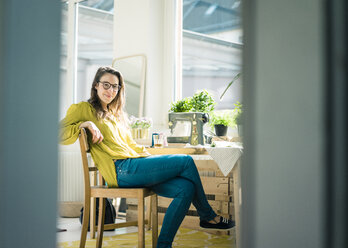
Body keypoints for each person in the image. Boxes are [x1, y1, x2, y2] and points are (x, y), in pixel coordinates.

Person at [60, 66, 235, 248]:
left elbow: (131, 145)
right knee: (186, 160)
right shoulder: (83, 109)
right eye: (106, 85)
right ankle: (208, 216)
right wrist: (85, 123)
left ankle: (163, 245)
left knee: (186, 188)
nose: (110, 90)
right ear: (96, 85)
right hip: (120, 170)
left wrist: (151, 159)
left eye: (115, 87)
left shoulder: (116, 115)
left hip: (134, 166)